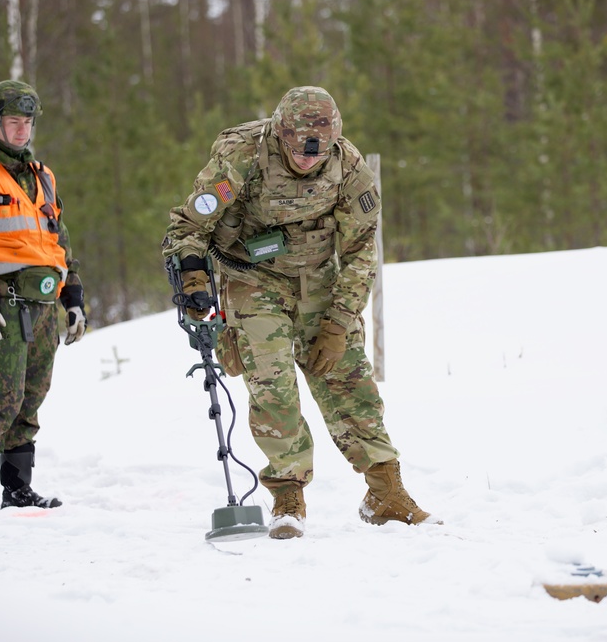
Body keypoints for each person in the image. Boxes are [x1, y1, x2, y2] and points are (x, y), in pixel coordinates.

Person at [162, 85, 440, 539]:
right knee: (273, 387)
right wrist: (194, 280)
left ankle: (386, 492)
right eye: (299, 149)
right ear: (280, 134)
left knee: (349, 381)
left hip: (320, 279)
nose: (309, 159)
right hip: (254, 279)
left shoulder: (348, 166)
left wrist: (339, 321)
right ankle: (288, 494)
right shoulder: (243, 156)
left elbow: (360, 253)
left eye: (319, 151)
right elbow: (189, 226)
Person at [0, 80, 86, 515]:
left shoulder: (43, 176)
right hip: (2, 304)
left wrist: (73, 295)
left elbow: (57, 241)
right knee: (0, 397)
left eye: (27, 122)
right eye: (13, 122)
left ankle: (17, 488)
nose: (22, 131)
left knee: (30, 398)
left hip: (43, 303)